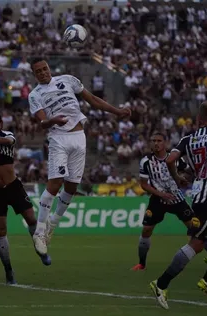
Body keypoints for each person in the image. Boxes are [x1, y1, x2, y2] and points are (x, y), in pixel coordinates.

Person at [28, 58, 131, 255]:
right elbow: (42, 122)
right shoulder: (35, 95)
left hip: (79, 137)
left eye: (45, 68)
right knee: (55, 183)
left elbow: (93, 100)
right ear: (34, 74)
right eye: (38, 71)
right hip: (58, 137)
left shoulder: (68, 80)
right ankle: (39, 232)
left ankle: (52, 225)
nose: (43, 73)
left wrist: (116, 112)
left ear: (49, 68)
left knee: (71, 187)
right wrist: (51, 121)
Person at [150, 101, 207, 309]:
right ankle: (161, 283)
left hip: (202, 195)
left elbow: (170, 160)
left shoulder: (189, 138)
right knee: (195, 244)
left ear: (199, 118)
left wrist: (178, 178)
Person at [0, 111, 50, 285]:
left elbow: (8, 142)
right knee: (0, 231)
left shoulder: (6, 135)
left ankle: (41, 249)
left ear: (1, 124)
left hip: (13, 186)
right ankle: (8, 270)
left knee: (31, 219)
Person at [133, 132, 207, 271]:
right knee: (146, 230)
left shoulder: (175, 159)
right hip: (157, 200)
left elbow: (190, 171)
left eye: (159, 140)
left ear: (165, 143)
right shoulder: (146, 161)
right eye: (153, 141)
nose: (156, 143)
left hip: (177, 199)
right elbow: (144, 185)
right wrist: (161, 194)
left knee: (196, 228)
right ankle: (141, 264)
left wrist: (182, 178)